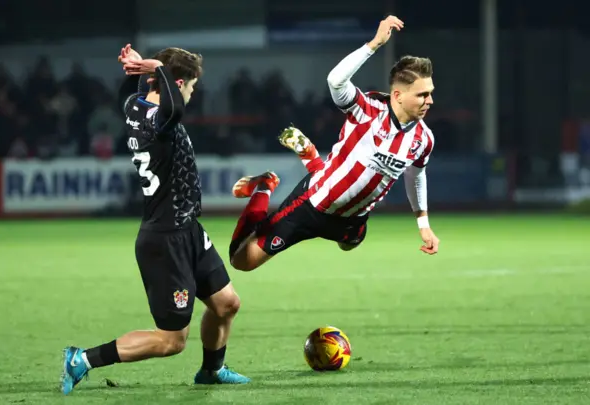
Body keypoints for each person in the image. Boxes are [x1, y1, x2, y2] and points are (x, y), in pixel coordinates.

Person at [60, 44, 249, 395]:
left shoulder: (137, 107)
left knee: (227, 304)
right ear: (177, 84)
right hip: (166, 240)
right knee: (171, 341)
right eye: (190, 86)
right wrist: (153, 67)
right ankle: (82, 359)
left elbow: (142, 97)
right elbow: (174, 106)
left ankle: (212, 370)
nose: (191, 94)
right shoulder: (162, 118)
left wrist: (140, 73)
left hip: (187, 229)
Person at [228, 15, 441, 272]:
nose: (429, 100)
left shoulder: (423, 139)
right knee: (242, 262)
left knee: (350, 245)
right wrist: (373, 45)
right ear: (397, 95)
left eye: (430, 93)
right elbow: (336, 81)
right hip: (312, 205)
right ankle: (265, 186)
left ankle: (315, 162)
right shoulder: (368, 110)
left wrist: (423, 224)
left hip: (353, 219)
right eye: (423, 94)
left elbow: (416, 176)